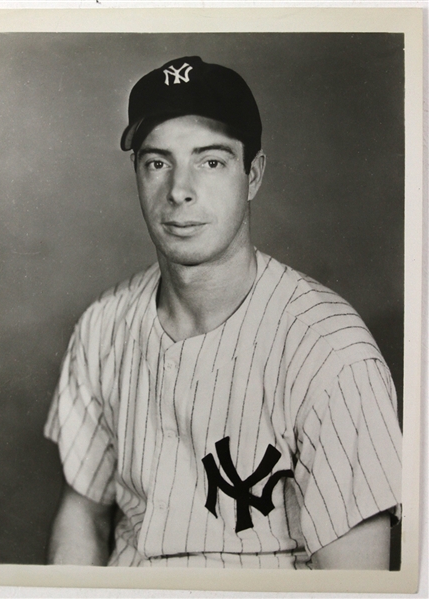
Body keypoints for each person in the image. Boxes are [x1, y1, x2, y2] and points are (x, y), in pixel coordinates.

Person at [44, 56, 401, 569]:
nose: (179, 190)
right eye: (157, 162)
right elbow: (81, 515)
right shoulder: (103, 325)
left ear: (252, 175)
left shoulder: (331, 350)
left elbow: (356, 586)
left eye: (210, 161)